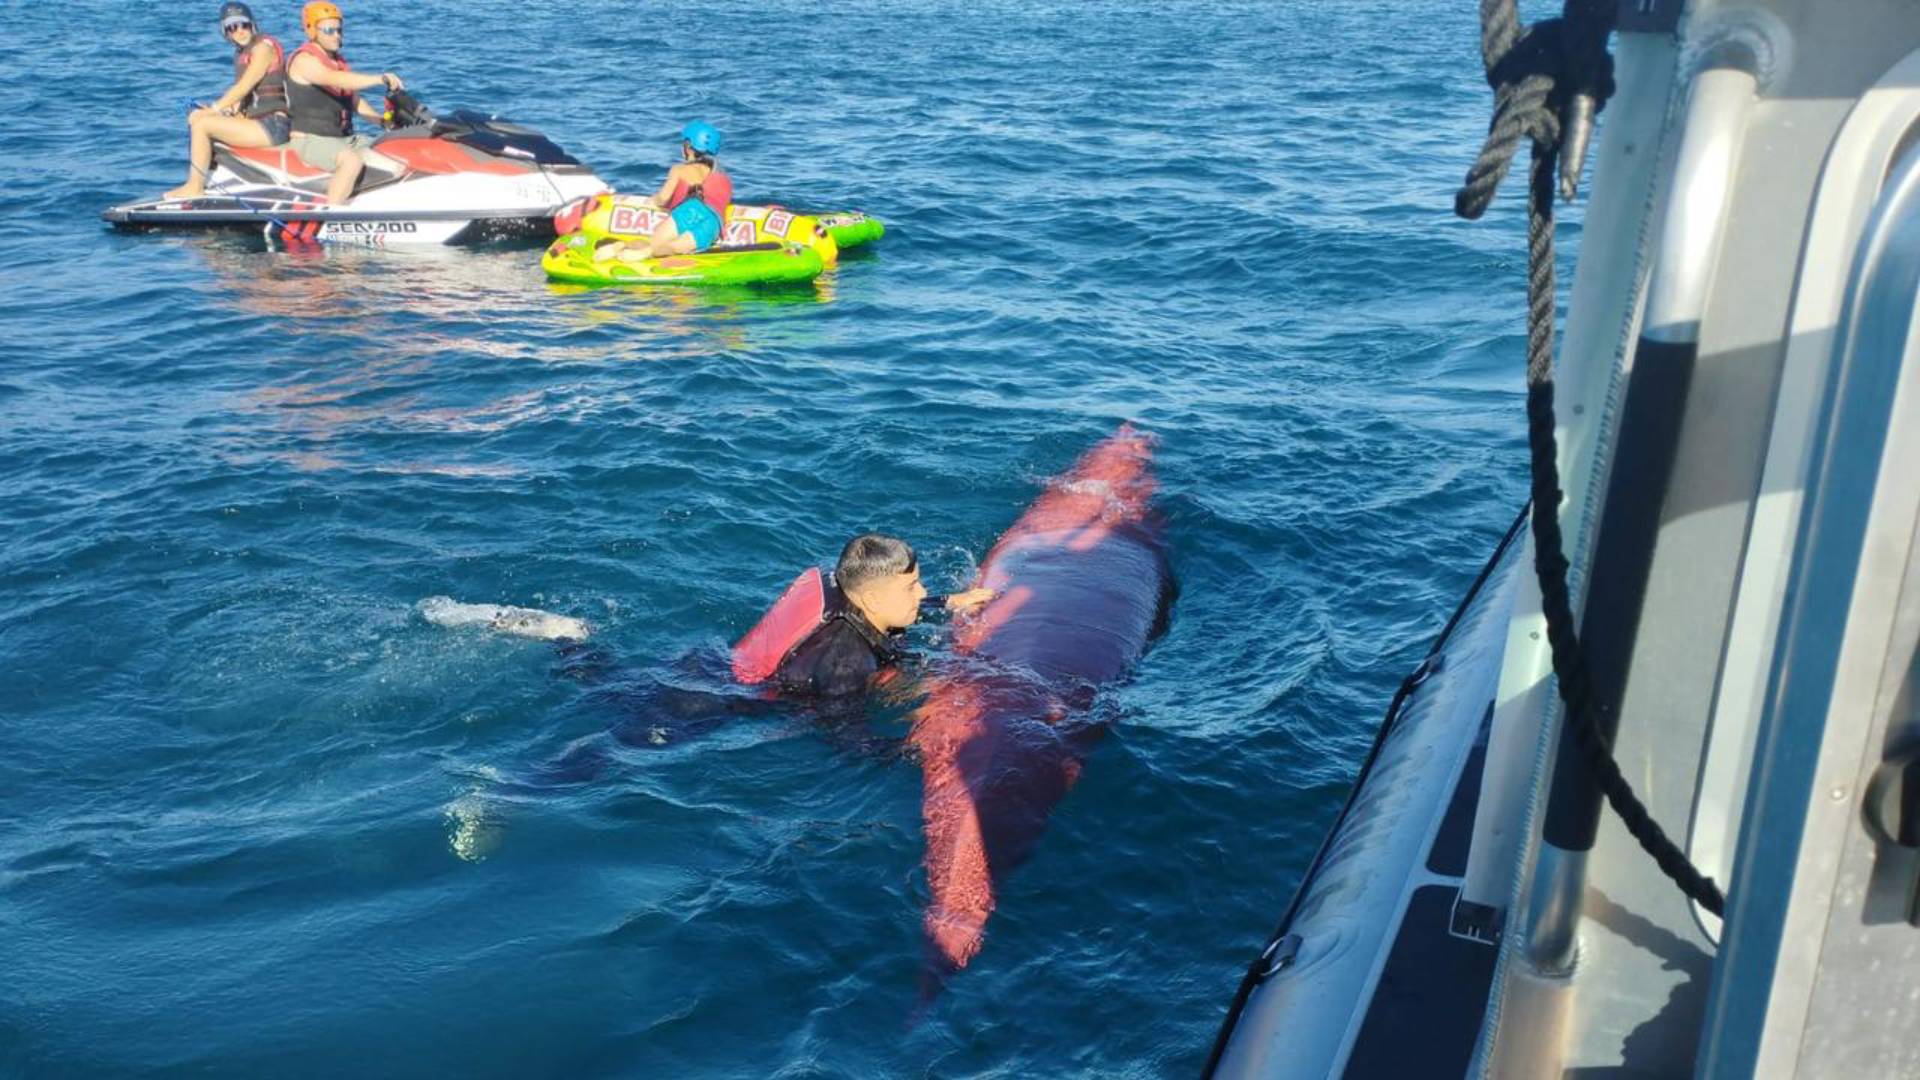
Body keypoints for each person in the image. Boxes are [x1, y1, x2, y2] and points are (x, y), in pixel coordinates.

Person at [775, 534, 994, 698]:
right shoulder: (848, 665)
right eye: (911, 587)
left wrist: (950, 601)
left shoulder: (851, 590)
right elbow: (849, 741)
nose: (923, 592)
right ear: (872, 600)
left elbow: (891, 602)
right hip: (786, 705)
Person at [164, 3, 290, 200]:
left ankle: (195, 186)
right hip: (259, 123)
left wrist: (214, 110)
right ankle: (215, 180)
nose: (239, 31)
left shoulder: (263, 49)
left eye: (243, 25)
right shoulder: (243, 53)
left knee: (203, 125)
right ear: (226, 32)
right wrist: (220, 111)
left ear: (252, 24)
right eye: (232, 27)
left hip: (273, 125)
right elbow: (242, 99)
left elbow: (244, 87)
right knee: (198, 119)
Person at [282, 1, 405, 206]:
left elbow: (354, 101)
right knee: (351, 161)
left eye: (339, 30)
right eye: (329, 30)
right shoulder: (304, 61)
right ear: (312, 30)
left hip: (343, 139)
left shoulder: (337, 61)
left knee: (391, 148)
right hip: (310, 140)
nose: (336, 35)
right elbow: (333, 79)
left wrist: (384, 123)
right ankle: (332, 213)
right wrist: (378, 79)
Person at [596, 122, 736, 262]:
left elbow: (662, 198)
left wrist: (653, 201)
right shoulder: (725, 179)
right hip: (711, 221)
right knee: (675, 247)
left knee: (652, 243)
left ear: (688, 146)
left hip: (686, 212)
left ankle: (622, 247)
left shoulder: (679, 169)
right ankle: (648, 252)